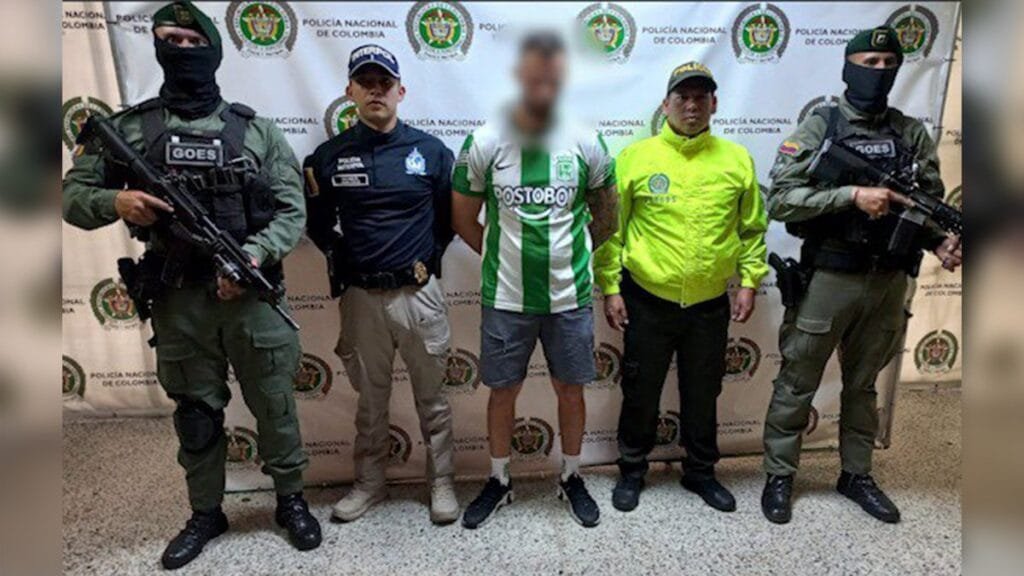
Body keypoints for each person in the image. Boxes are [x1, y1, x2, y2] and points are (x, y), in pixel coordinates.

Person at [61, 1, 320, 569]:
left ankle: (291, 501)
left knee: (276, 406)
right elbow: (72, 199)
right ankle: (206, 512)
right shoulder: (130, 129)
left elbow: (291, 211)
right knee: (197, 415)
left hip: (249, 297)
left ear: (213, 51)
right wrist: (116, 201)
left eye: (192, 42)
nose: (181, 51)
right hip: (179, 301)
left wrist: (251, 256)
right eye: (169, 41)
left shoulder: (256, 131)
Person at [760, 26, 962, 525]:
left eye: (888, 63)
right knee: (797, 381)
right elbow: (781, 199)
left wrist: (938, 240)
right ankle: (779, 475)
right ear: (849, 67)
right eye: (869, 62)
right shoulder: (821, 126)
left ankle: (856, 474)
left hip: (888, 280)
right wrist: (850, 195)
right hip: (831, 276)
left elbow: (922, 205)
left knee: (864, 385)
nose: (879, 71)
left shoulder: (910, 133)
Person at [452, 31, 619, 529]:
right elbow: (463, 219)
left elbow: (607, 217)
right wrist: (502, 259)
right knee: (503, 391)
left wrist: (569, 259)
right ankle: (499, 481)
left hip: (570, 297)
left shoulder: (586, 140)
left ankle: (571, 476)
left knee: (571, 390)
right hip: (506, 297)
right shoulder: (484, 140)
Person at [594, 62, 768, 514]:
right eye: (682, 97)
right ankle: (632, 471)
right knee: (641, 391)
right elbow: (611, 230)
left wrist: (750, 280)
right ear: (665, 104)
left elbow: (751, 229)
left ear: (714, 104)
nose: (692, 106)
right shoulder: (635, 158)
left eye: (700, 98)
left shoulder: (736, 159)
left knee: (703, 392)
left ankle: (701, 472)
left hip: (709, 303)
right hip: (647, 300)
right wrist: (611, 287)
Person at [303, 44, 459, 525]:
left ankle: (442, 482)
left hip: (418, 296)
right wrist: (347, 259)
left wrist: (423, 261)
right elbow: (316, 223)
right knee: (371, 402)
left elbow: (449, 221)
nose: (376, 91)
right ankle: (369, 482)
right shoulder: (328, 157)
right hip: (360, 298)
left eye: (384, 83)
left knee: (433, 399)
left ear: (400, 92)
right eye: (365, 83)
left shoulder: (431, 152)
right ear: (349, 91)